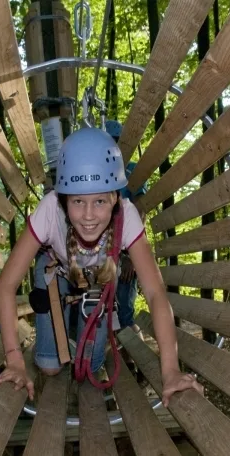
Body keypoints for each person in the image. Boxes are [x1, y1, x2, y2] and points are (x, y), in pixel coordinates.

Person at [0, 127, 203, 406]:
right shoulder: (49, 211)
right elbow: (6, 285)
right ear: (64, 199)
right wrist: (15, 360)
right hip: (55, 271)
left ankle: (77, 341)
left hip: (98, 279)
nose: (89, 216)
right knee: (49, 366)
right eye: (78, 201)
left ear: (115, 198)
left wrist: (171, 371)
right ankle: (59, 342)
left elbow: (155, 293)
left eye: (100, 201)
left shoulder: (126, 216)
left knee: (90, 368)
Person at [105, 120, 147, 338]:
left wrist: (131, 255)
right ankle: (116, 361)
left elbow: (141, 211)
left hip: (126, 252)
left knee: (125, 313)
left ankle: (135, 362)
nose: (113, 147)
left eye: (116, 142)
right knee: (106, 311)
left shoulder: (131, 170)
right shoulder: (101, 171)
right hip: (106, 253)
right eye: (109, 142)